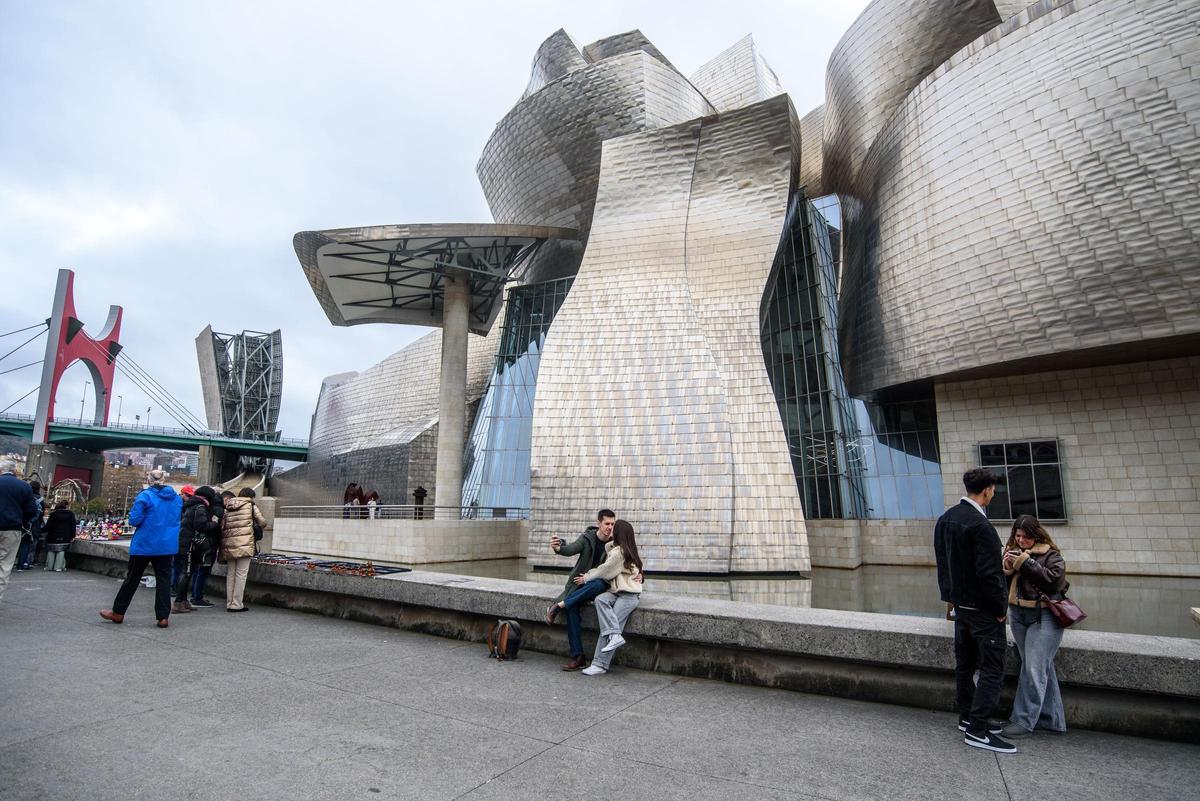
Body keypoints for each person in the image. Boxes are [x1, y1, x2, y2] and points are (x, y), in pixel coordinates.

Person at [934, 467, 1016, 754]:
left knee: (965, 666)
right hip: (983, 610)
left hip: (961, 609)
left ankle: (967, 717)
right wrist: (1000, 607)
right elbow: (989, 573)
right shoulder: (982, 527)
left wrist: (951, 599)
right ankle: (978, 730)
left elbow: (943, 564)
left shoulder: (946, 519)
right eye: (993, 489)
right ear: (987, 490)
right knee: (993, 669)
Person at [1001, 514, 1068, 738]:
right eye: (1017, 536)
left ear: (1035, 535)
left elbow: (1054, 582)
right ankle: (1052, 721)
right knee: (1038, 667)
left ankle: (1023, 721)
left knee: (1034, 669)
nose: (1021, 540)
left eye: (1026, 537)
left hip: (1045, 616)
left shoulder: (1051, 554)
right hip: (1018, 615)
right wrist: (1007, 567)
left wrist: (1025, 562)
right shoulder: (1013, 552)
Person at [100, 468, 181, 628]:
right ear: (164, 480)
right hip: (166, 546)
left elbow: (134, 520)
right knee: (164, 582)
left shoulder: (145, 496)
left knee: (132, 579)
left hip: (145, 544)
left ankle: (118, 612)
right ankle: (163, 617)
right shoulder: (177, 499)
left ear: (149, 480)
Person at [545, 509, 616, 671]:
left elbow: (629, 559)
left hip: (600, 584)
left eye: (612, 524)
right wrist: (558, 547)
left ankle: (558, 606)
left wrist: (640, 574)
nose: (610, 527)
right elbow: (570, 549)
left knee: (598, 583)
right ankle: (579, 657)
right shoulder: (587, 538)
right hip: (579, 586)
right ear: (599, 523)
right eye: (607, 524)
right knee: (572, 609)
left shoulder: (614, 543)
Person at [581, 519, 645, 676]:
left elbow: (604, 570)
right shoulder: (625, 550)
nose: (610, 529)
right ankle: (614, 635)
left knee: (609, 628)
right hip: (617, 592)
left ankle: (600, 664)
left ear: (618, 533)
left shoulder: (619, 553)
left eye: (613, 528)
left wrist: (586, 577)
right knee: (600, 600)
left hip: (628, 595)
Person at [220, 487, 266, 612]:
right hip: (245, 544)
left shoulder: (228, 506)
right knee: (241, 575)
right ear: (250, 497)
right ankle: (236, 604)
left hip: (229, 545)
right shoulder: (250, 505)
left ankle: (229, 602)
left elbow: (222, 525)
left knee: (231, 575)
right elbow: (262, 522)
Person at [0, 460, 39, 604]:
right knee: (4, 565)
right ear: (15, 471)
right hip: (12, 528)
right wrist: (22, 521)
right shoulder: (24, 486)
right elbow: (32, 511)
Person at [172, 486, 210, 613]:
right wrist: (214, 524)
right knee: (187, 572)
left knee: (186, 571)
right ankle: (178, 603)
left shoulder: (189, 505)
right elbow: (201, 525)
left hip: (183, 541)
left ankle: (184, 601)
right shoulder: (200, 507)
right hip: (190, 544)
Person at [187, 486, 225, 608]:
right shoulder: (214, 509)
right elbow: (204, 525)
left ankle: (192, 596)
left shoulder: (191, 505)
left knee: (196, 570)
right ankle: (197, 597)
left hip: (195, 543)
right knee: (203, 571)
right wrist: (215, 524)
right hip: (208, 544)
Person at [43, 500, 78, 572]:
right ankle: (58, 567)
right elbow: (73, 526)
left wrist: (41, 530)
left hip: (52, 536)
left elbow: (48, 526)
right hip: (65, 536)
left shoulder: (53, 514)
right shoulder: (70, 514)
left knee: (51, 550)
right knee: (61, 551)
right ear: (66, 506)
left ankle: (49, 566)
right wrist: (73, 535)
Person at [16, 481, 44, 570]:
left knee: (19, 544)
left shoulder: (24, 496)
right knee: (29, 546)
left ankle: (15, 562)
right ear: (38, 488)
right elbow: (40, 515)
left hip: (21, 524)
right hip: (34, 526)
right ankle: (26, 563)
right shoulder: (40, 500)